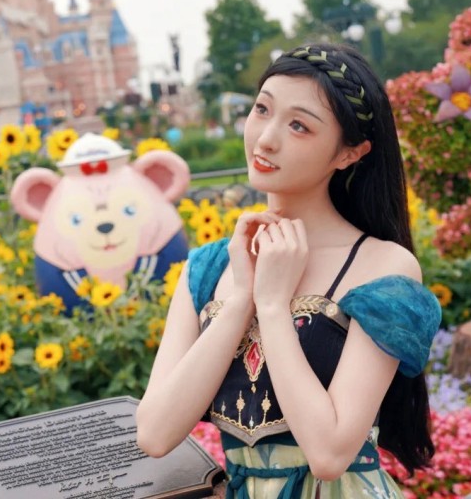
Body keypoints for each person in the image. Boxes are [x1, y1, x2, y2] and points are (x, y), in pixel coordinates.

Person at [136, 43, 441, 498]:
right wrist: (242, 298)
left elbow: (330, 454)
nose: (265, 138)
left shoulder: (383, 267)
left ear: (349, 154)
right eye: (262, 109)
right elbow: (155, 433)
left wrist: (274, 306)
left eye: (299, 125)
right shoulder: (209, 269)